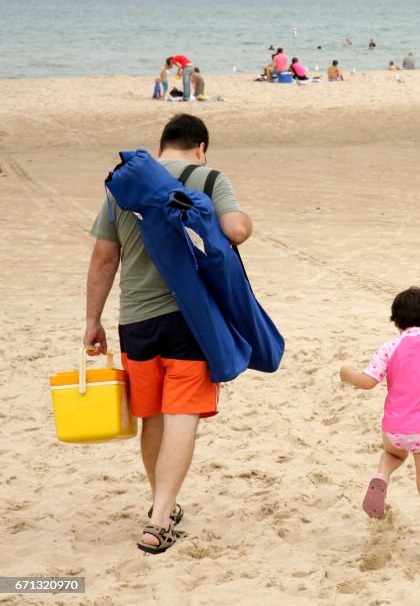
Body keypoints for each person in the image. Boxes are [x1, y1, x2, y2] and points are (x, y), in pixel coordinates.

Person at [83, 113, 253, 554]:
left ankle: (161, 503)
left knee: (152, 416)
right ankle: (160, 518)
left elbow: (104, 259)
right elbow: (236, 231)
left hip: (135, 321)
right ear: (200, 148)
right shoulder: (209, 178)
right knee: (183, 414)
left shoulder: (122, 185)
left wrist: (92, 319)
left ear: (161, 147)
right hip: (190, 320)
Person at [340, 287, 420, 561]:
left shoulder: (389, 347)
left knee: (394, 453)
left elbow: (368, 381)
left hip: (394, 429)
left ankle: (383, 474)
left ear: (396, 321)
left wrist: (348, 374)